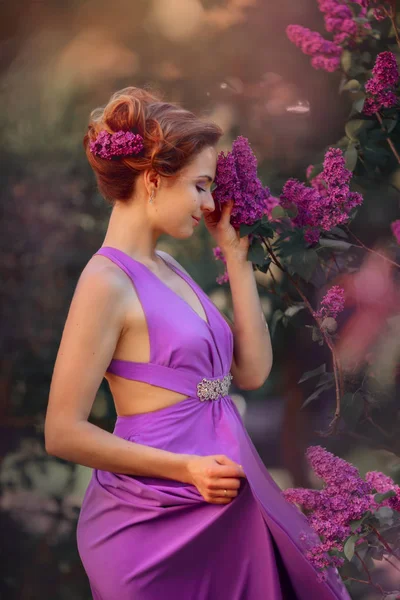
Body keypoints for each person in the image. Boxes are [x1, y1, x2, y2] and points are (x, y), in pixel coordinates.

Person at [44, 86, 350, 600]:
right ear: (152, 179)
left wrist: (234, 255)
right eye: (200, 186)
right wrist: (185, 468)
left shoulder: (172, 268)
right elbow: (62, 432)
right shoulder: (105, 282)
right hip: (152, 526)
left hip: (226, 505)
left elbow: (250, 374)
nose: (209, 203)